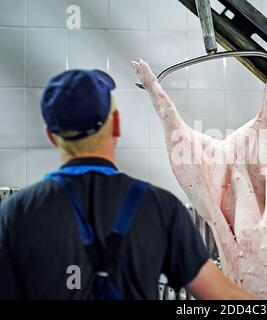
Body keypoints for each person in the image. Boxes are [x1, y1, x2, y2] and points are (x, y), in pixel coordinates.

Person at [0, 69, 253, 300]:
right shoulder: (160, 208)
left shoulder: (14, 213)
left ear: (52, 136)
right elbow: (224, 299)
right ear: (117, 125)